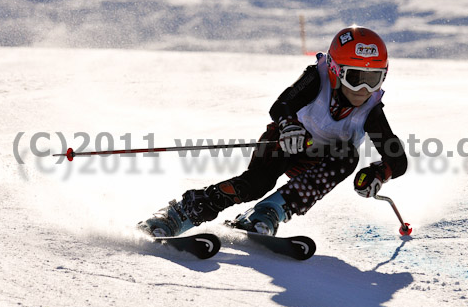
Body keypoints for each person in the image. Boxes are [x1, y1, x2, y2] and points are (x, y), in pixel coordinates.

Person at [138, 26, 408, 237]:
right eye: (355, 79)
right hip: (283, 143)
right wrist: (288, 126)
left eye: (372, 80)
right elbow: (282, 104)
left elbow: (397, 160)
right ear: (336, 71)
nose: (363, 91)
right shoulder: (318, 78)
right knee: (256, 184)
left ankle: (270, 212)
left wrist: (377, 173)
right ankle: (178, 214)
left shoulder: (370, 109)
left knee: (347, 155)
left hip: (316, 164)